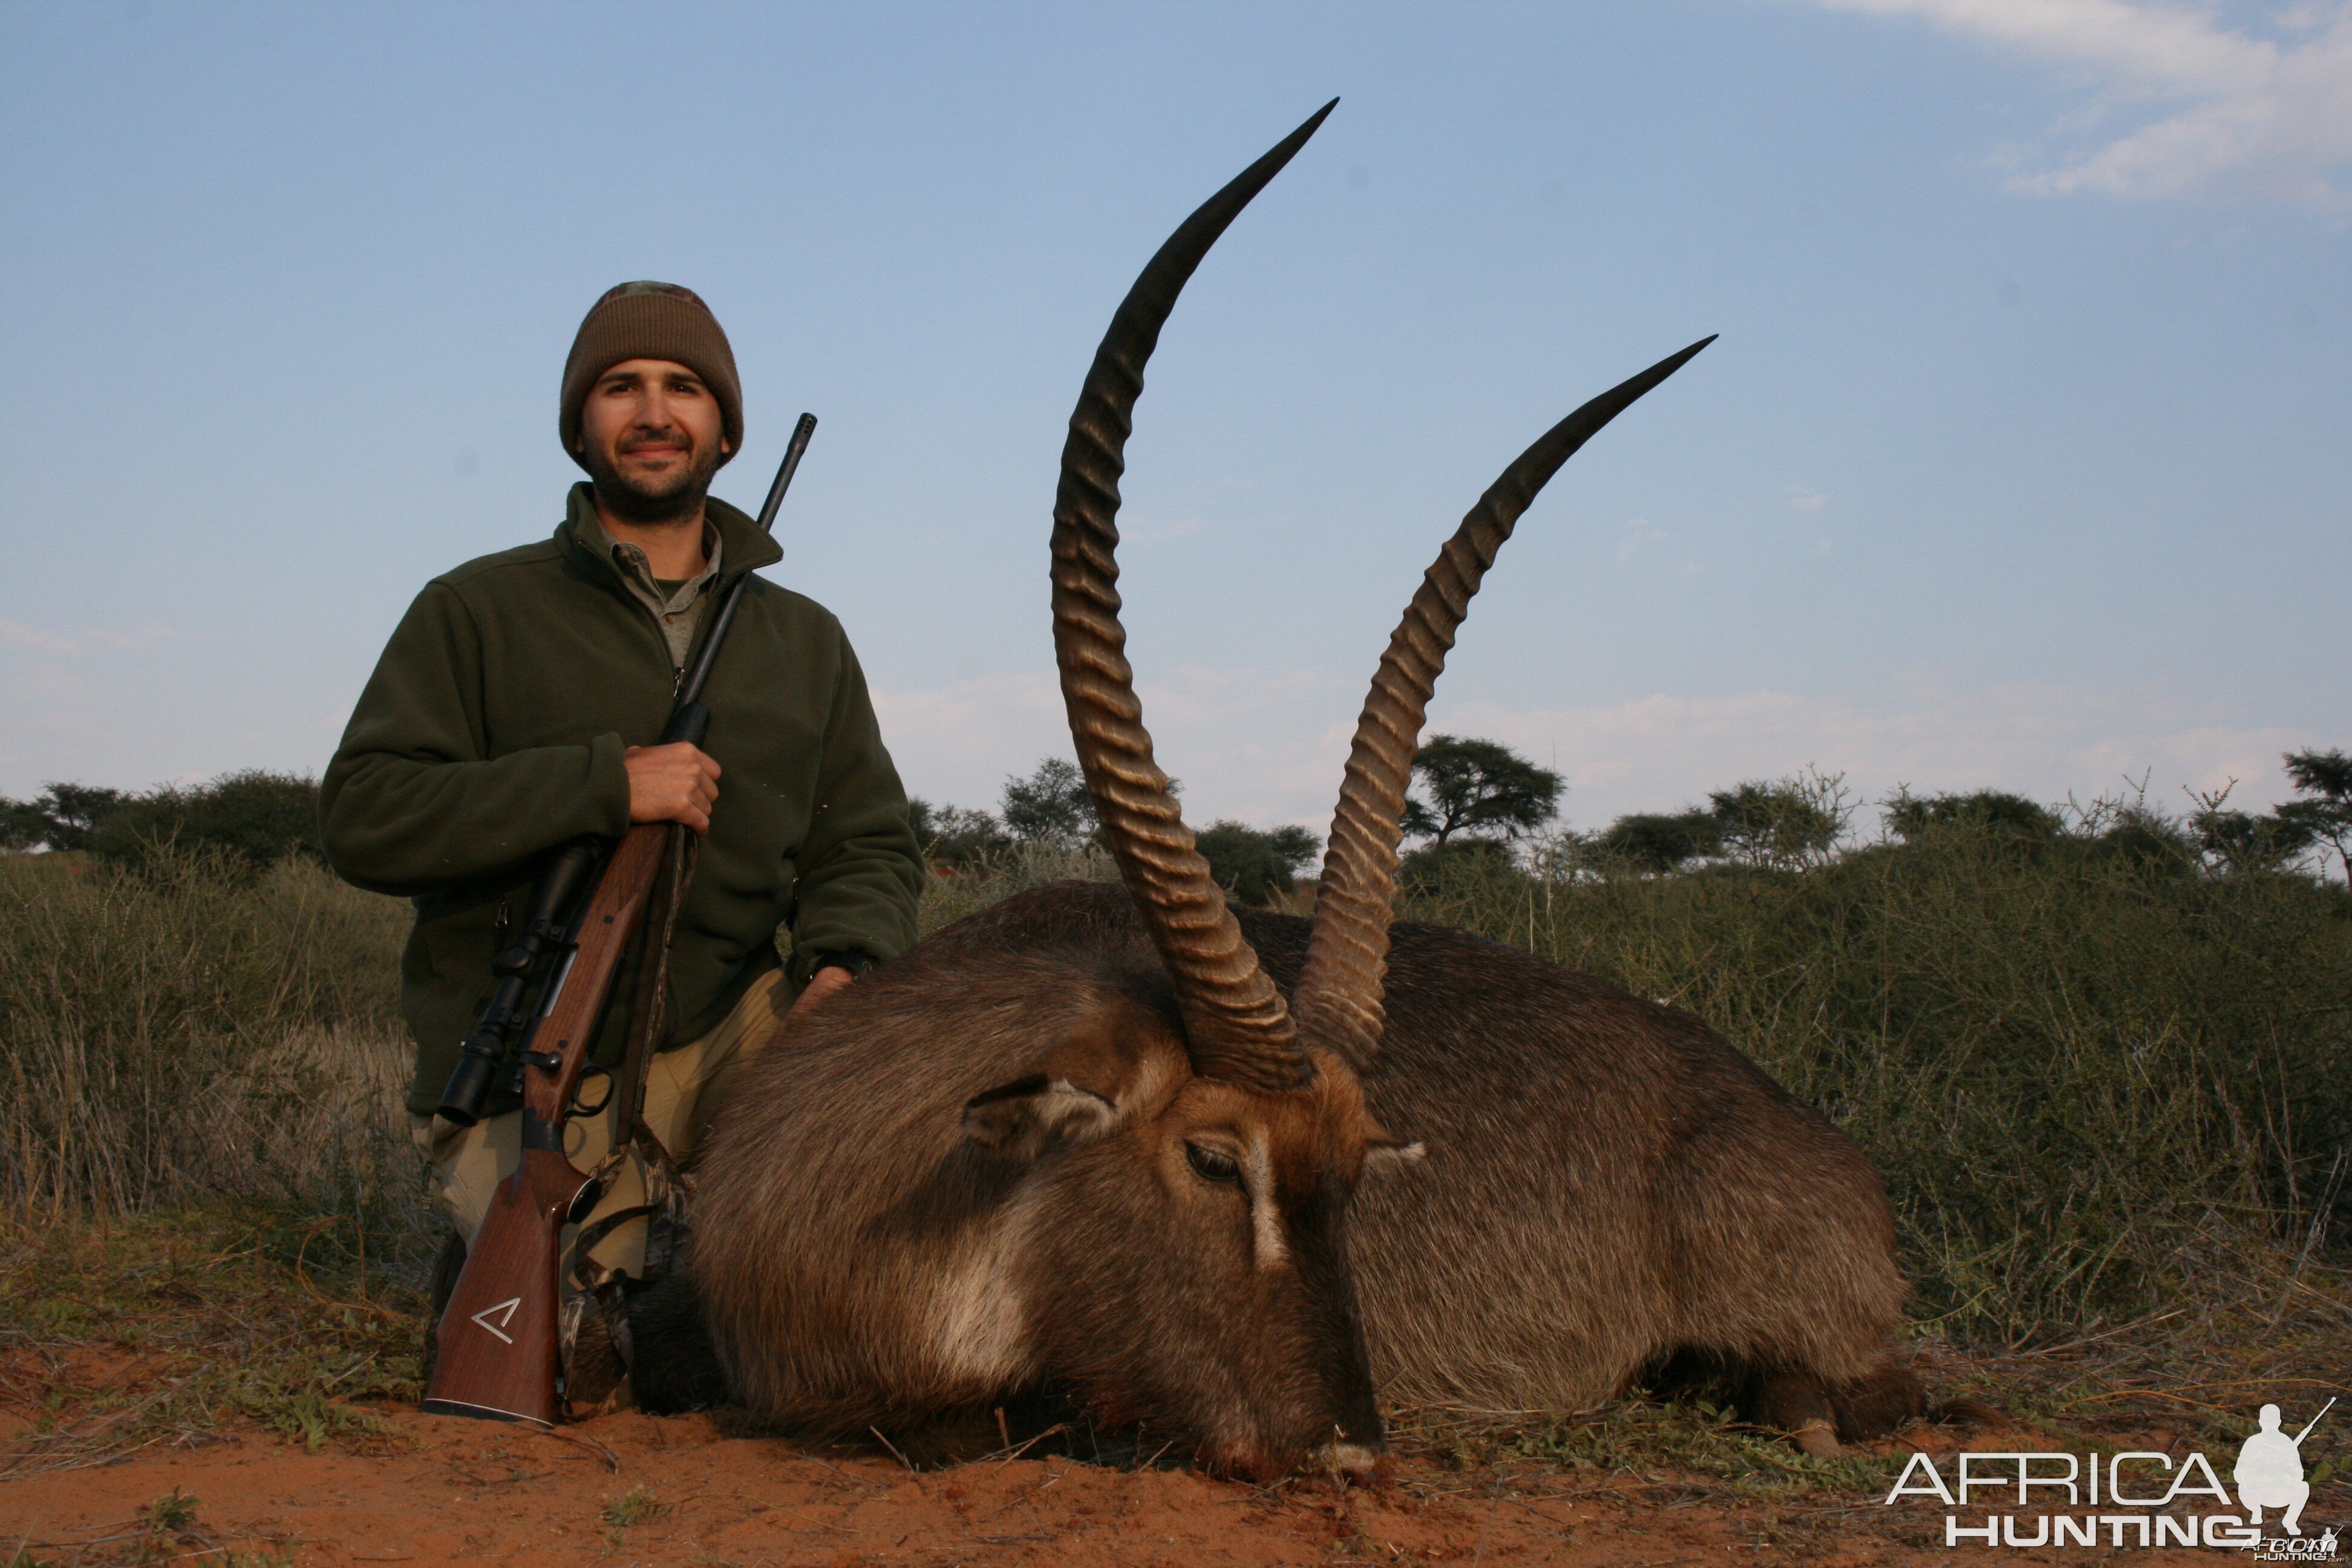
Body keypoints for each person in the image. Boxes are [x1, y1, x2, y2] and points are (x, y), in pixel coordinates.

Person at [322, 281, 925, 1395]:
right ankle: (552, 1254)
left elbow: (870, 843)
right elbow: (364, 812)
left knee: (899, 1229)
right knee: (588, 1352)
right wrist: (603, 786)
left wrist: (843, 968)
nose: (653, 411)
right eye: (621, 388)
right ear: (581, 424)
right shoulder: (474, 608)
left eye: (683, 388)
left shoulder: (806, 639)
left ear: (725, 430)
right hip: (542, 1054)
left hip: (739, 1025)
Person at [2233, 1402, 2316, 1535]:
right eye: (2267, 1422)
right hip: (2257, 1493)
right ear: (2261, 1422)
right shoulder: (2253, 1442)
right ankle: (2256, 1512)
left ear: (2278, 1422)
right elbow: (2238, 1473)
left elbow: (2299, 1474)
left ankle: (2290, 1521)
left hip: (2280, 1493)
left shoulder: (2287, 1443)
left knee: (2304, 1487)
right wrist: (2258, 1473)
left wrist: (2283, 1470)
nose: (2269, 1425)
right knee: (2243, 1485)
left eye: (2271, 1422)